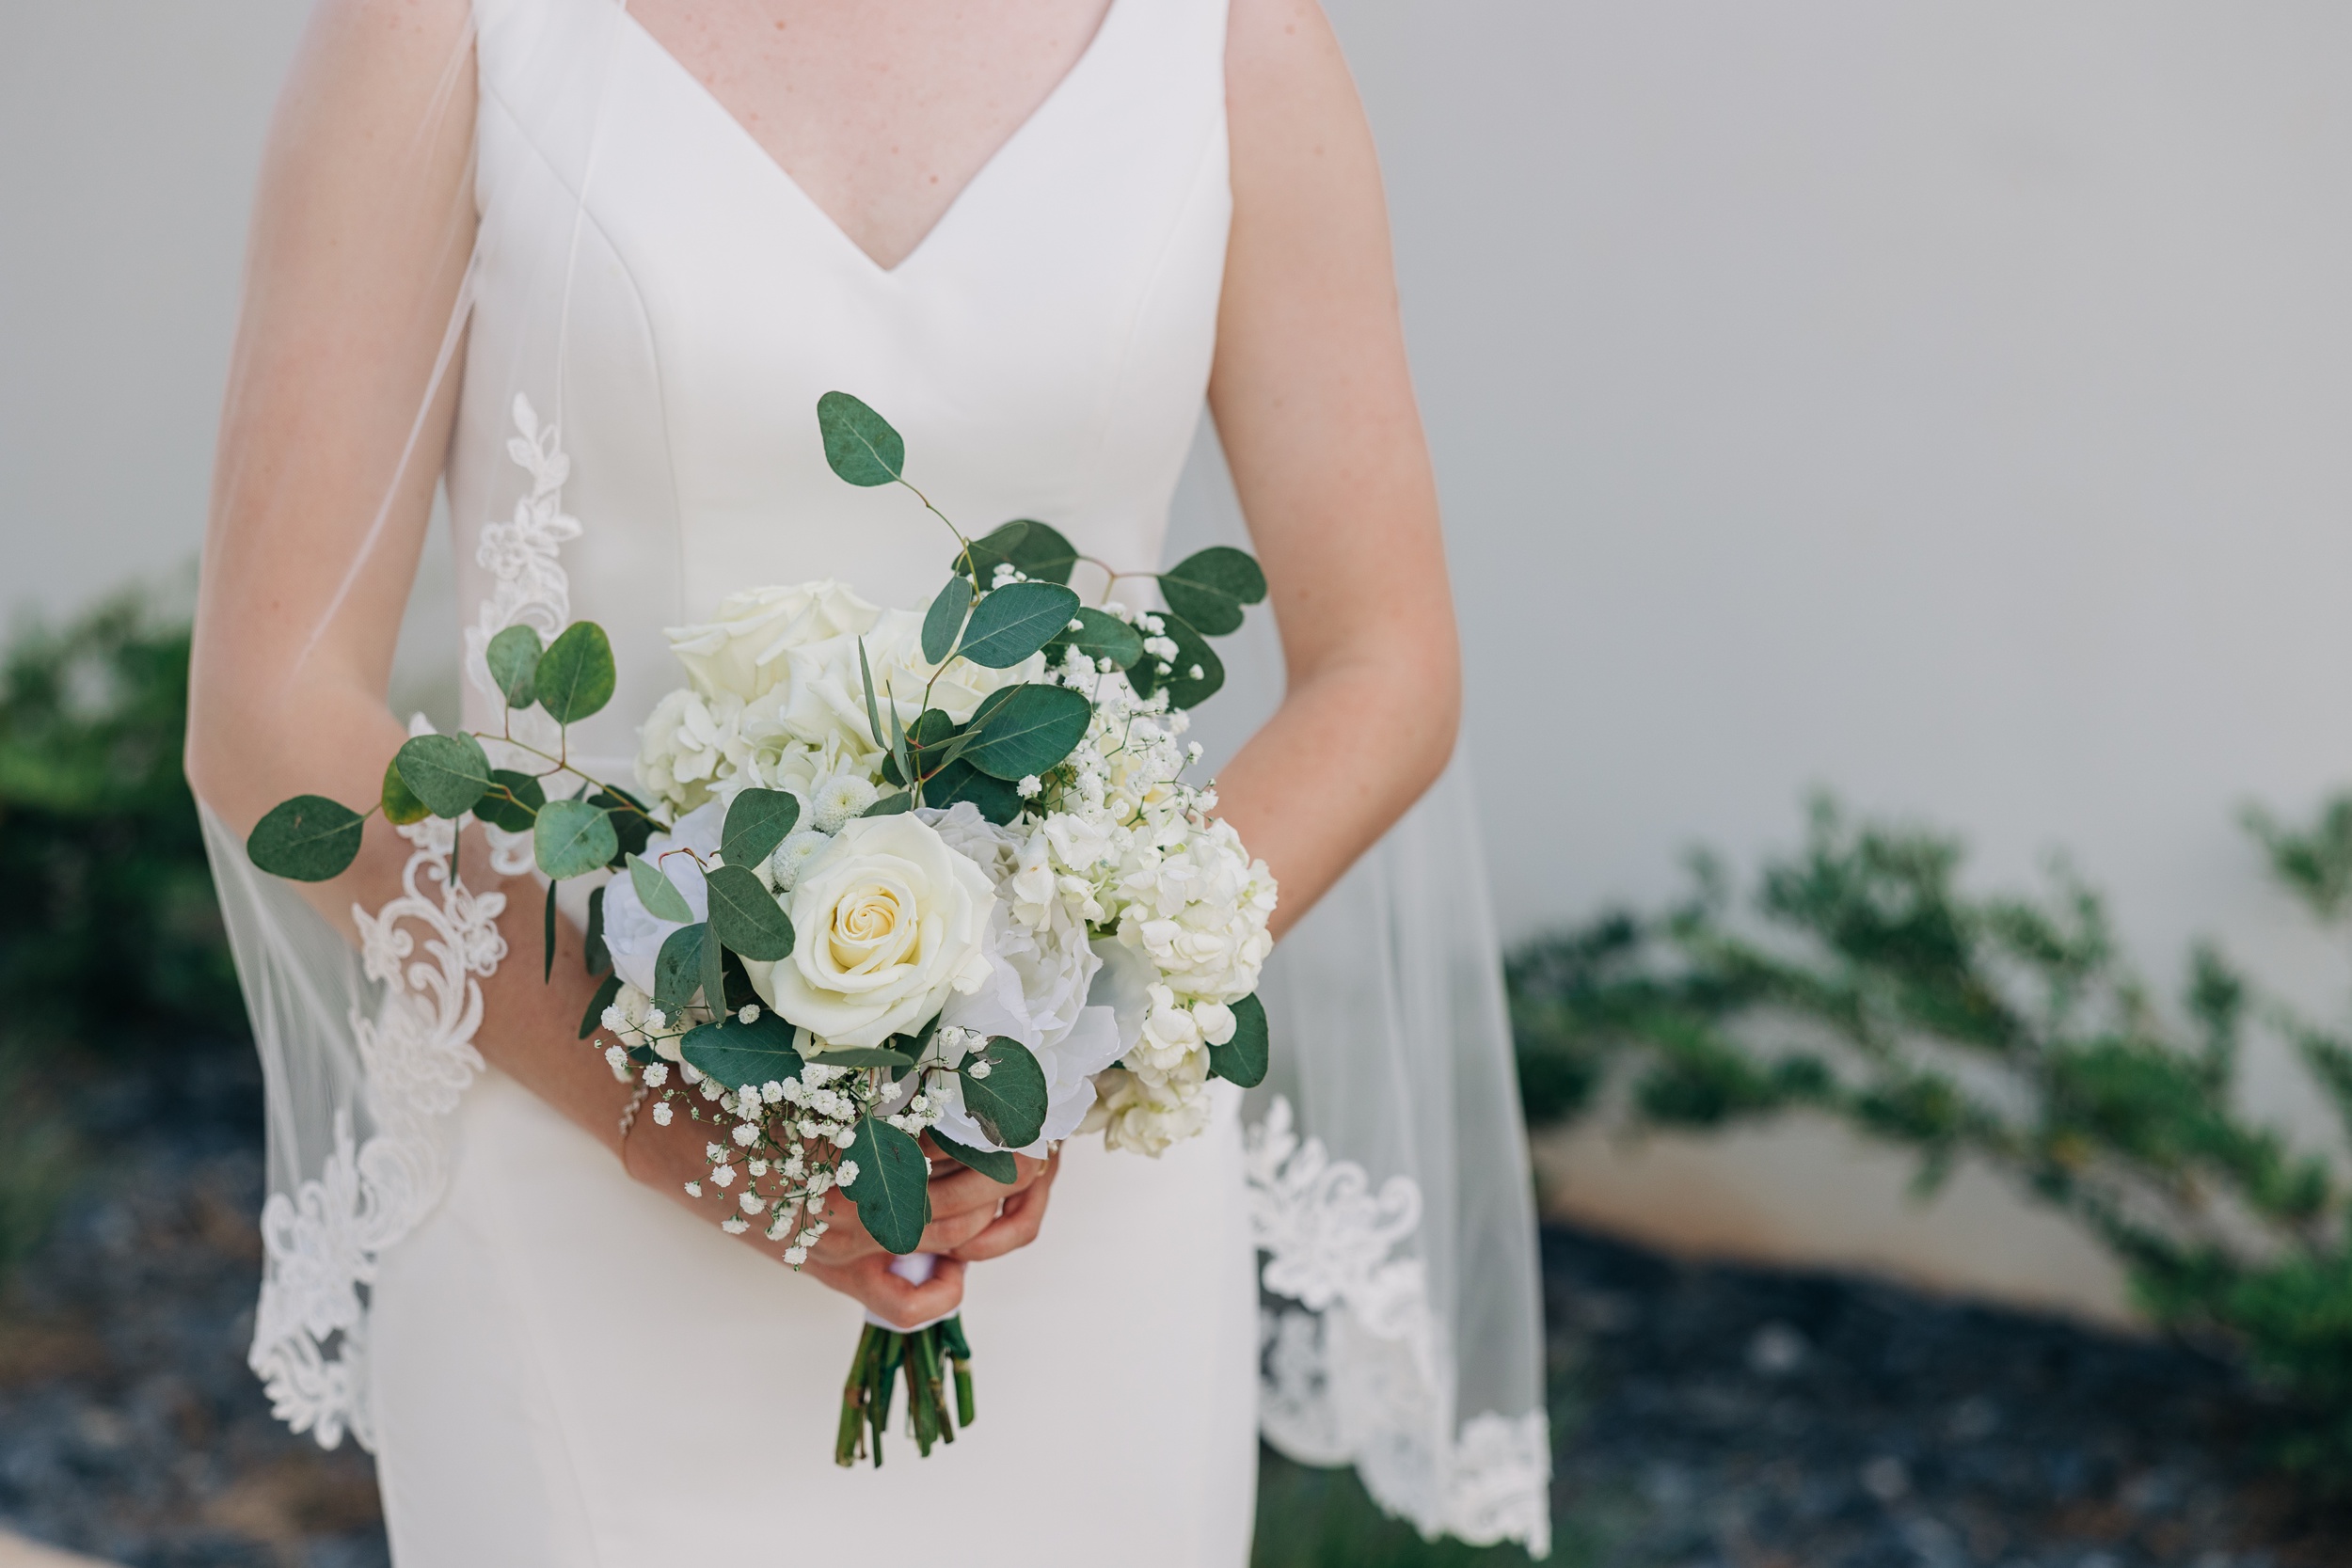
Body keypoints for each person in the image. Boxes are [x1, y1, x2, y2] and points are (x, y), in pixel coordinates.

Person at [186, 0, 1543, 1560]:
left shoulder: (1225, 39)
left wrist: (1059, 1044)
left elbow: (1387, 667)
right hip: (582, 1172)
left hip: (1062, 1209)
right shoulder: (447, 30)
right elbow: (269, 711)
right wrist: (670, 1119)